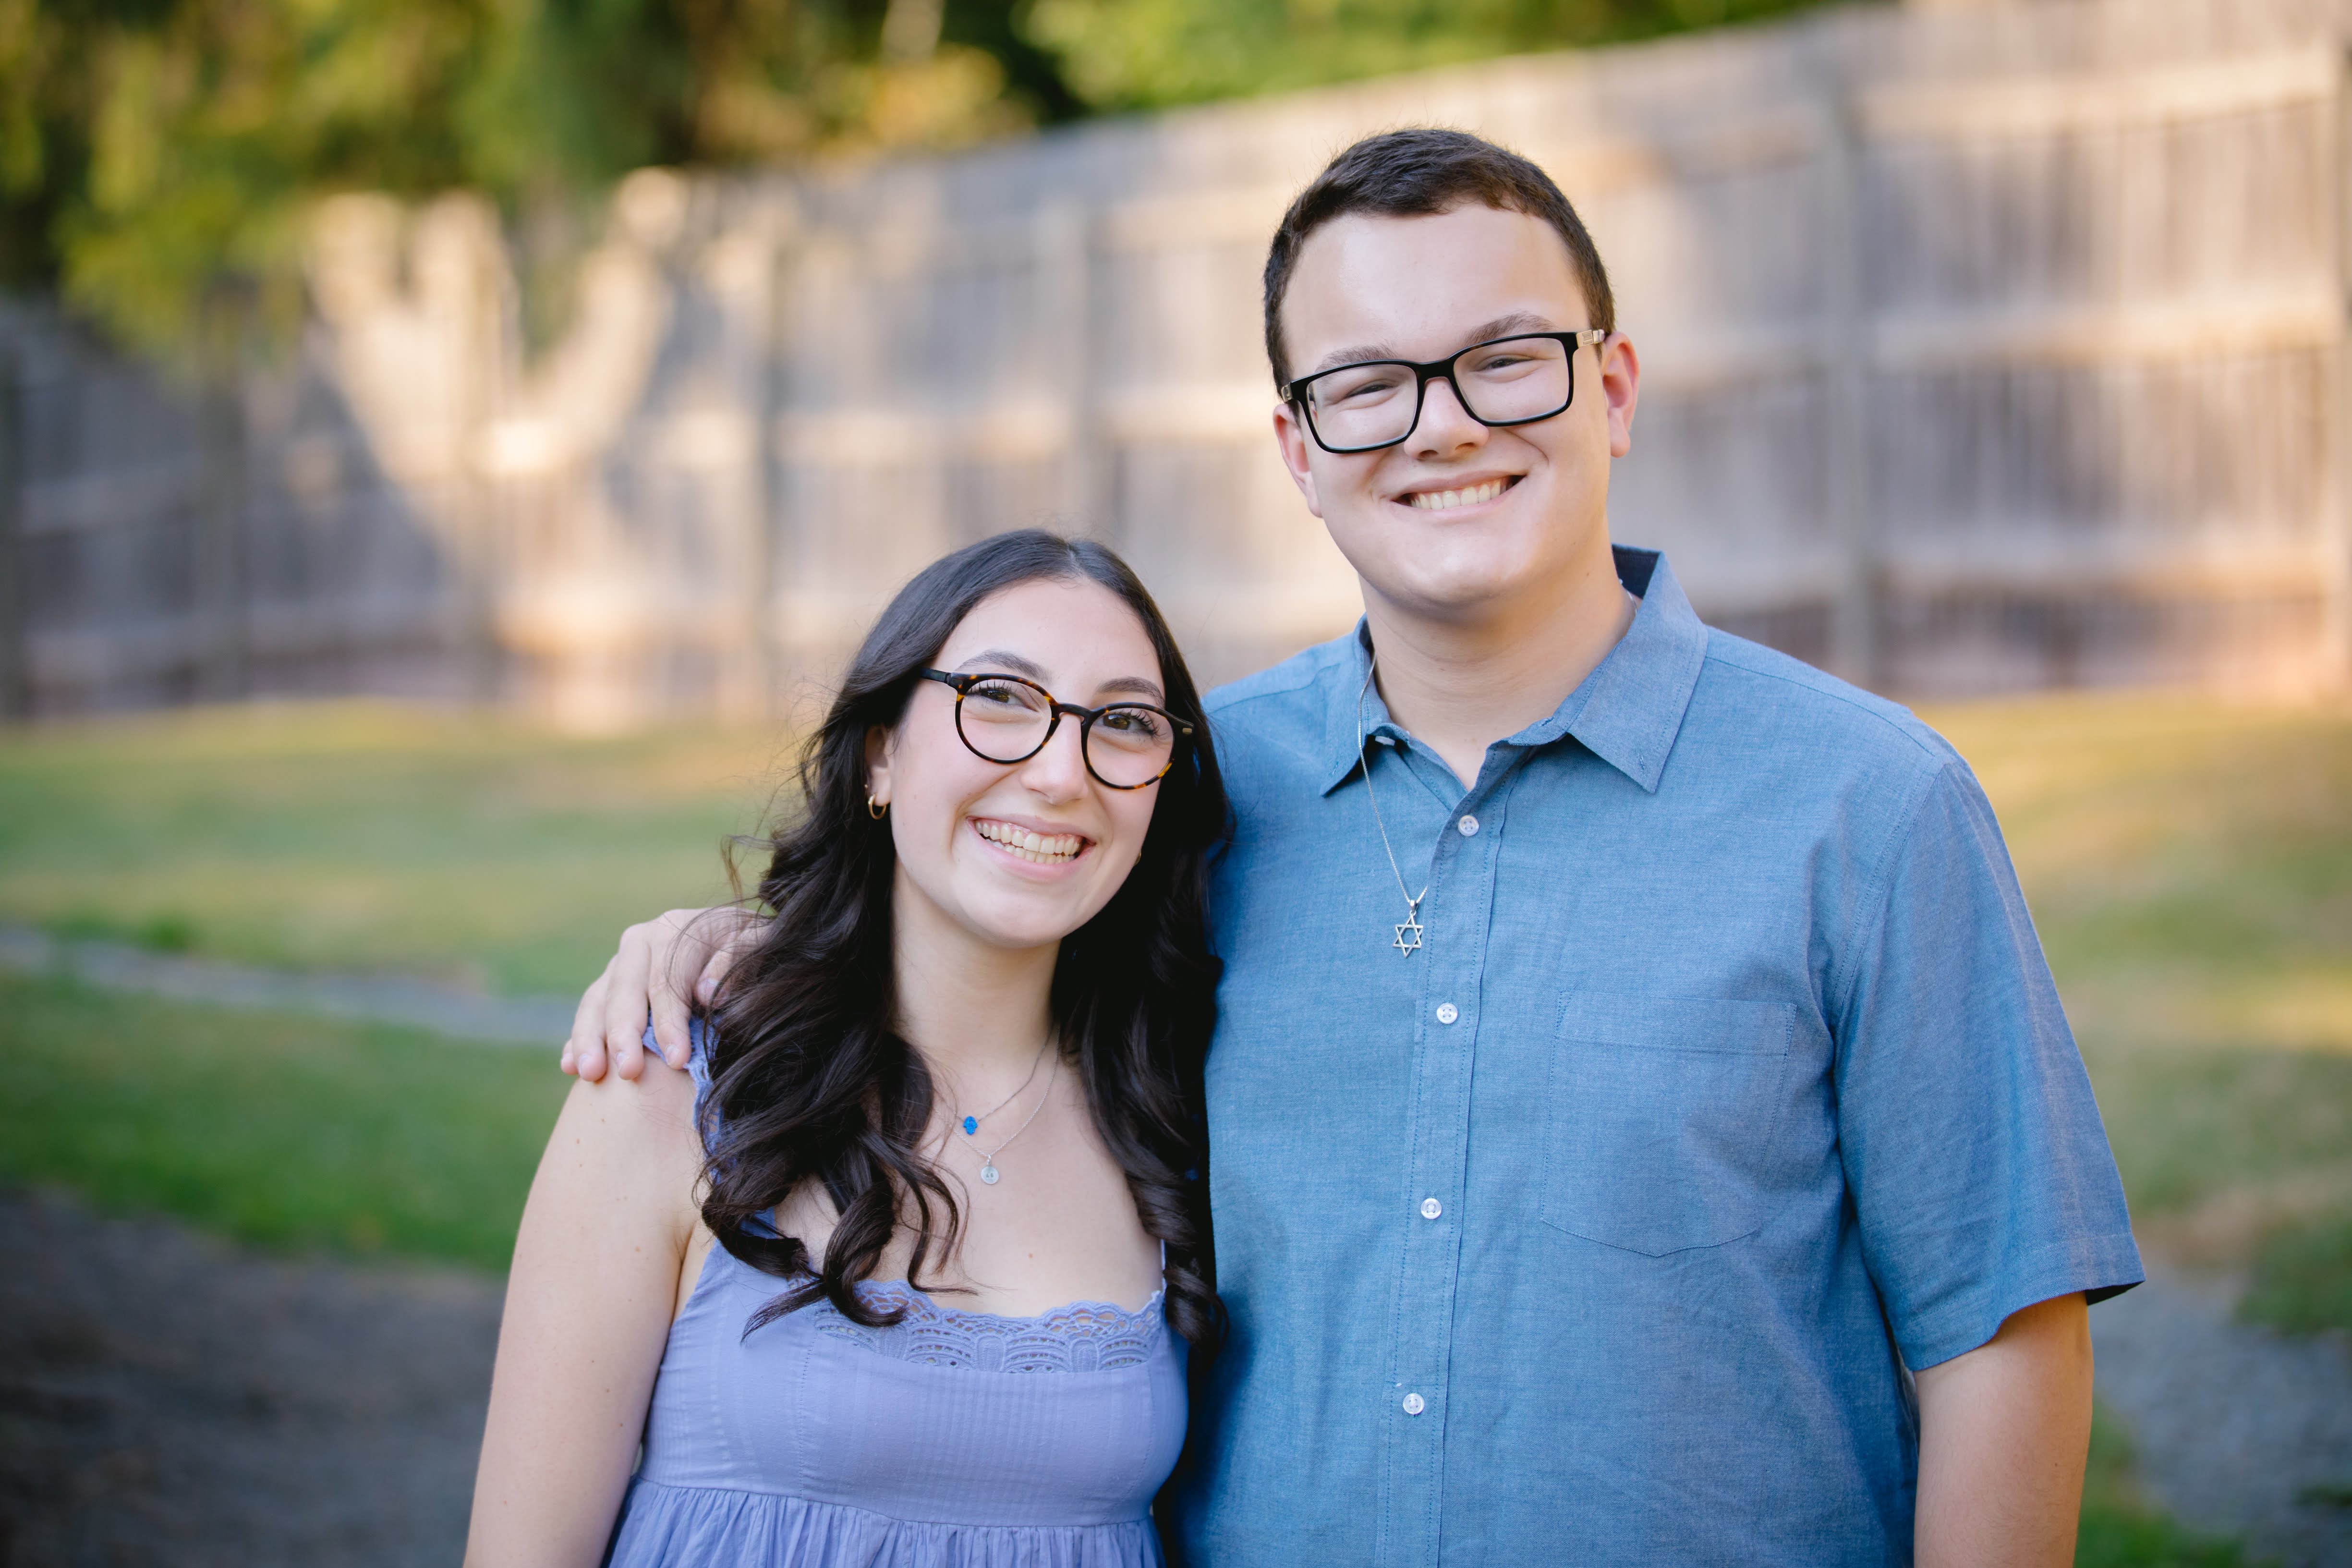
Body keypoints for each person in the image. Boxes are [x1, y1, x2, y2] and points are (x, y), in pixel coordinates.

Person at [564, 130, 2143, 1565]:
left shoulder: (1868, 808)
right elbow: (967, 962)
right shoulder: (1175, 790)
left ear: (1609, 387)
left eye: (1504, 360)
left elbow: (1996, 1335)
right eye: (1366, 383)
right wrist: (739, 954)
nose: (1439, 427)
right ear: (1297, 447)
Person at [469, 530, 1227, 1566]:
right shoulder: (670, 1091)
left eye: (1125, 721)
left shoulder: (1177, 1120)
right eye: (999, 697)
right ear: (880, 749)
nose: (1060, 772)